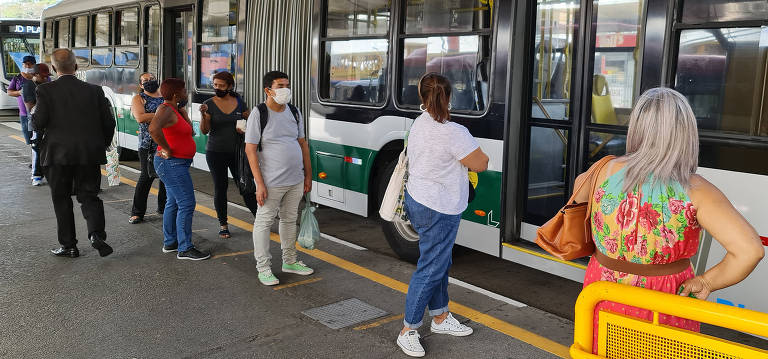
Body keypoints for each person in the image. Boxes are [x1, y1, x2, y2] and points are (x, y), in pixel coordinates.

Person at [577, 87, 764, 352]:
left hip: (601, 290)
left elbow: (578, 195)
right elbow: (750, 250)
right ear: (686, 133)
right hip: (665, 298)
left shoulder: (603, 170)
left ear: (637, 127)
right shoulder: (696, 190)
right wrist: (706, 282)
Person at [396, 73, 489, 358]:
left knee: (438, 260)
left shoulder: (419, 123)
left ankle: (440, 317)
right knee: (432, 266)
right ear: (448, 97)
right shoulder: (454, 132)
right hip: (441, 206)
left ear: (422, 97)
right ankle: (408, 330)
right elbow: (481, 163)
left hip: (418, 200)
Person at [32, 48, 115, 258]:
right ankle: (96, 234)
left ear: (53, 68)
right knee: (89, 195)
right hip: (88, 153)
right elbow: (109, 122)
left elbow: (38, 123)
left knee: (61, 199)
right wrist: (102, 144)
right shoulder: (94, 91)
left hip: (56, 154)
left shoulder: (45, 90)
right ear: (76, 67)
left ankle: (69, 245)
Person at [244, 71, 313, 286]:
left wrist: (308, 175)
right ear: (268, 90)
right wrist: (259, 184)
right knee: (264, 222)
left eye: (287, 85)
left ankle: (289, 261)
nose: (285, 89)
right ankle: (263, 268)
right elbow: (250, 149)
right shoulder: (259, 113)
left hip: (295, 178)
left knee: (289, 219)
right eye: (280, 85)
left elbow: (302, 144)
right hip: (271, 181)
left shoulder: (294, 111)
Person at [149, 78, 210, 261]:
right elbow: (153, 129)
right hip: (171, 163)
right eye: (184, 91)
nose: (186, 93)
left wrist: (184, 111)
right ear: (176, 94)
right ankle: (184, 247)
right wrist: (166, 148)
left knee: (173, 202)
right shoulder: (165, 109)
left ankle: (171, 242)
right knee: (186, 203)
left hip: (177, 163)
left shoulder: (175, 109)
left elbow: (189, 132)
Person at [199, 71, 258, 238]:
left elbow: (252, 121)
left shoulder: (239, 102)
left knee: (245, 185)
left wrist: (244, 128)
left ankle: (260, 219)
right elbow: (205, 131)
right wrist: (203, 115)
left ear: (230, 86)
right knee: (220, 187)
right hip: (215, 152)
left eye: (222, 86)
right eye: (215, 85)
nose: (218, 88)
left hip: (237, 152)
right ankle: (223, 224)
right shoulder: (208, 104)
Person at [128, 73, 167, 224]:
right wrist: (163, 114)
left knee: (166, 177)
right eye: (145, 80)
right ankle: (137, 212)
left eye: (152, 79)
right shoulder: (139, 98)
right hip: (148, 145)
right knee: (147, 176)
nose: (150, 82)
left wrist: (153, 115)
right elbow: (140, 117)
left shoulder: (164, 95)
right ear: (140, 85)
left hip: (165, 143)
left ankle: (163, 207)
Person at [22, 63, 51, 186]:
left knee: (50, 148)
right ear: (35, 75)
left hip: (50, 121)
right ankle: (36, 175)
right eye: (43, 76)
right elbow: (31, 108)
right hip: (37, 121)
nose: (46, 78)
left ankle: (50, 174)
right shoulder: (28, 86)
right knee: (37, 147)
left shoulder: (48, 84)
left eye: (47, 76)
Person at [7, 55, 36, 146]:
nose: (27, 67)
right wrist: (19, 92)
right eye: (25, 64)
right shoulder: (17, 78)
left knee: (37, 140)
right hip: (24, 114)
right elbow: (9, 92)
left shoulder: (40, 77)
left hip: (37, 113)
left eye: (29, 64)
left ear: (34, 65)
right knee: (28, 140)